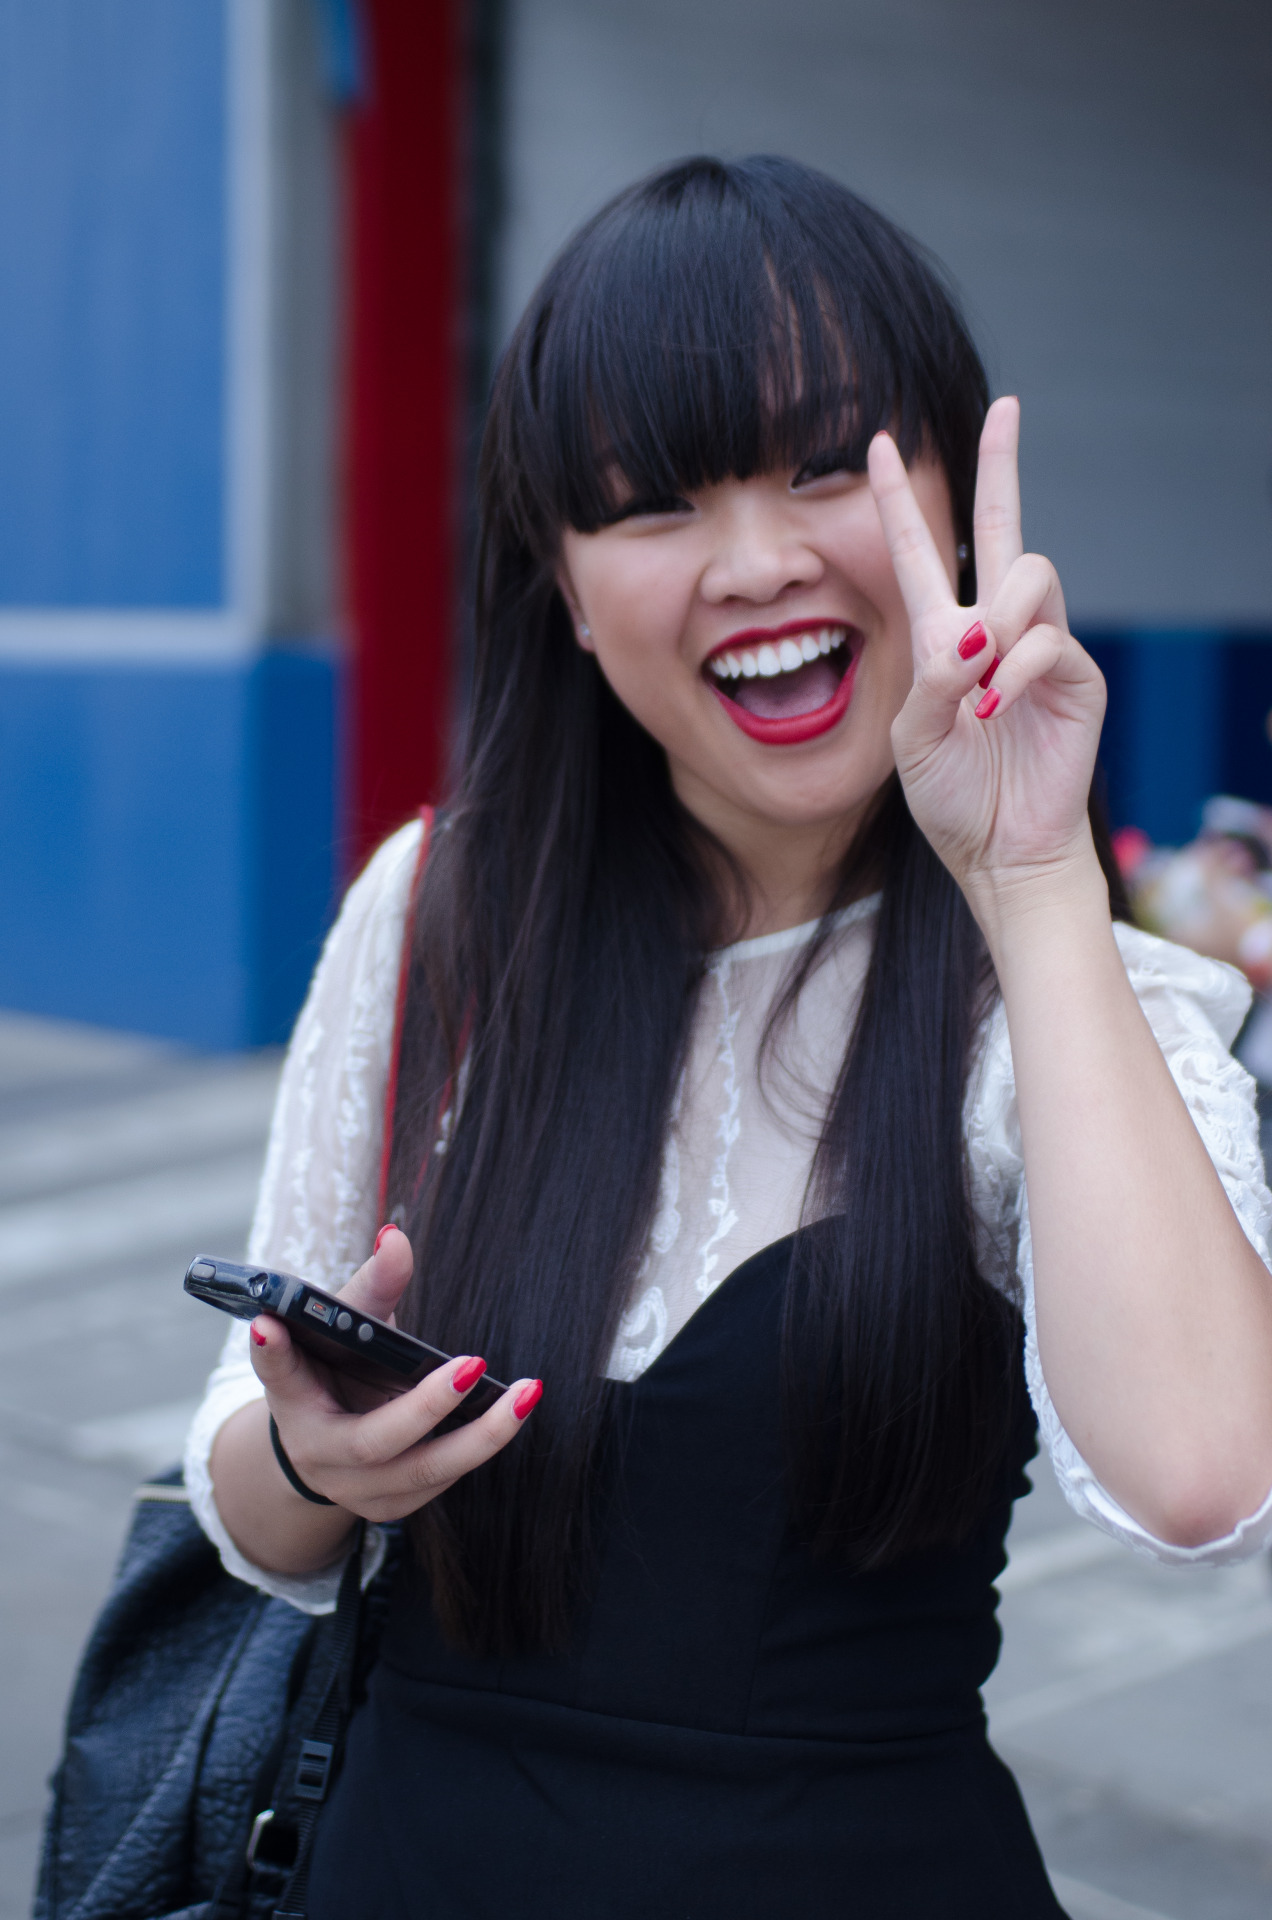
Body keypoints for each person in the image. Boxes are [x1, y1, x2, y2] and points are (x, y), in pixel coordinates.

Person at [185, 156, 1272, 1917]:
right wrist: (315, 1456)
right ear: (558, 569)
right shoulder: (441, 913)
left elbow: (1205, 1484)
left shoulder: (1062, 995)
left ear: (947, 491)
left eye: (831, 465)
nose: (759, 563)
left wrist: (1036, 872)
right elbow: (237, 1488)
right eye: (653, 503)